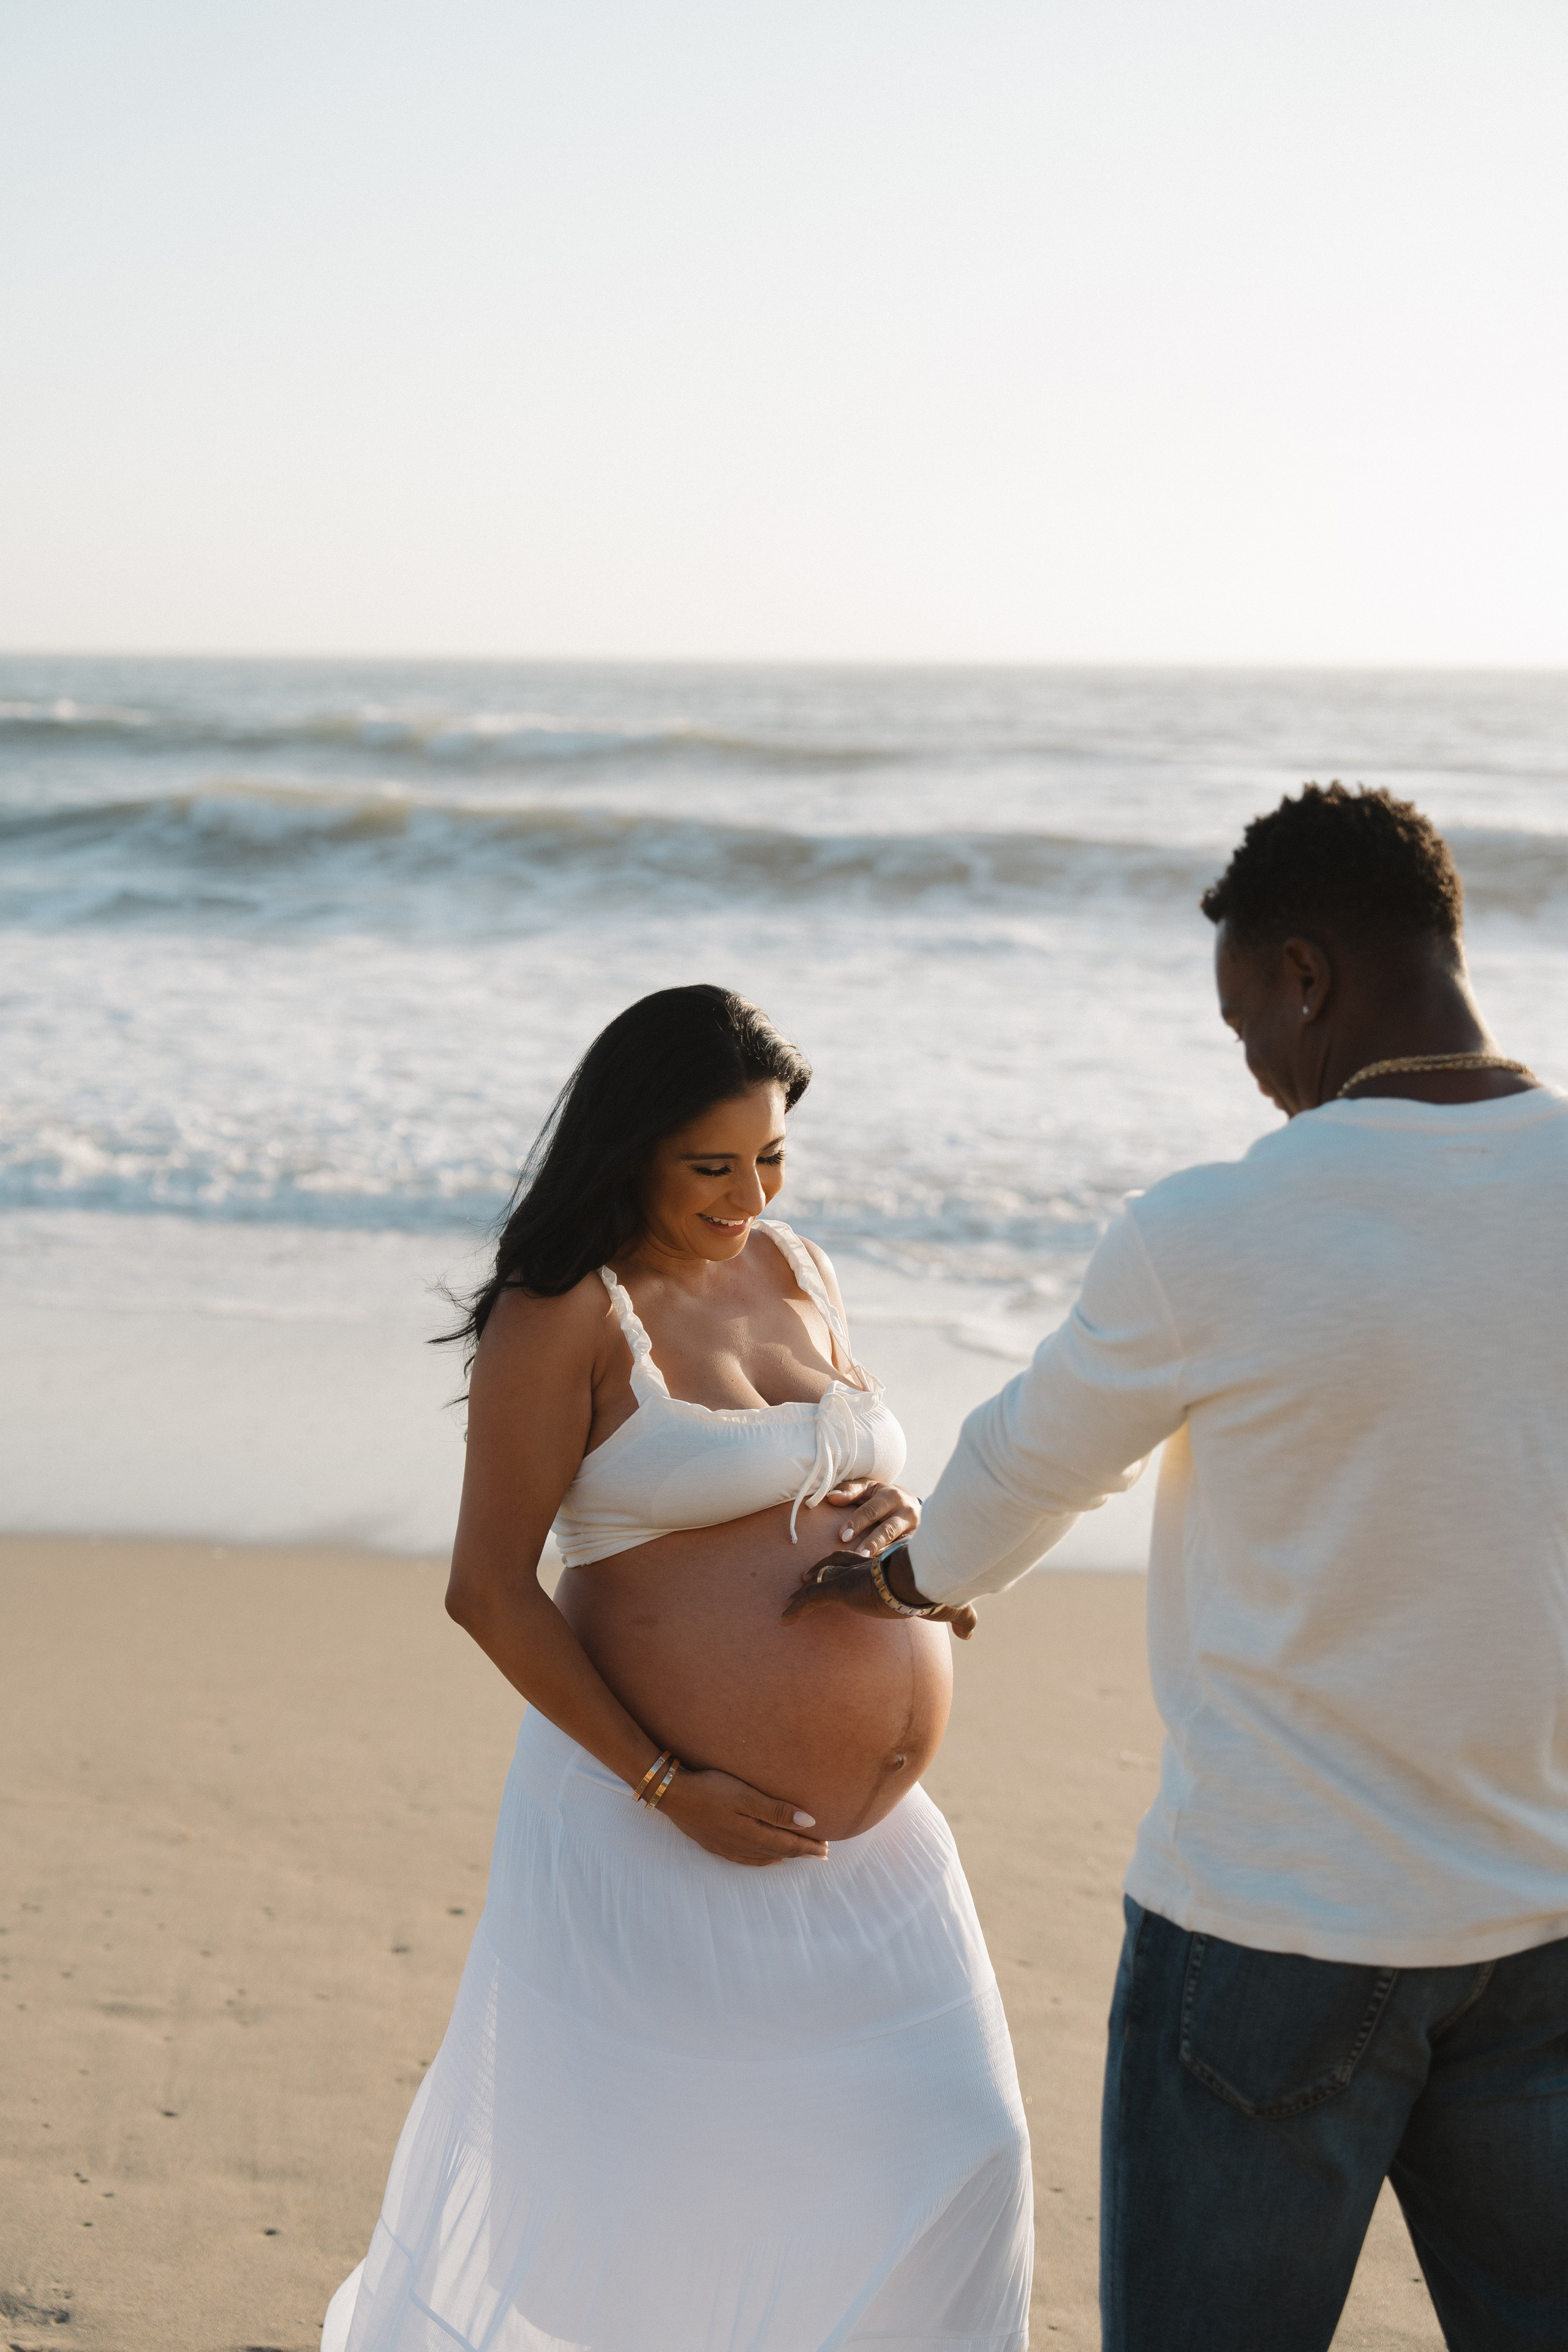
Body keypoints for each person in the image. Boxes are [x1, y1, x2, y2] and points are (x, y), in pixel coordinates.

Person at [799, 785, 1568, 2352]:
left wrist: (898, 1582)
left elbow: (1027, 1467)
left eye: (1243, 1024)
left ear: (1303, 974)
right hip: (1541, 1917)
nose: (1257, 1070)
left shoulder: (1214, 1228)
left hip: (1276, 1926)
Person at [321, 985, 1031, 2352]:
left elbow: (838, 1474)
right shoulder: (561, 1315)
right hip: (656, 1829)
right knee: (672, 2211)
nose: (749, 1195)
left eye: (772, 1157)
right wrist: (664, 1783)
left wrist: (903, 1534)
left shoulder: (799, 1268)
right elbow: (487, 1590)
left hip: (870, 1849)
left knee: (963, 2145)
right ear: (631, 1147)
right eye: (713, 1165)